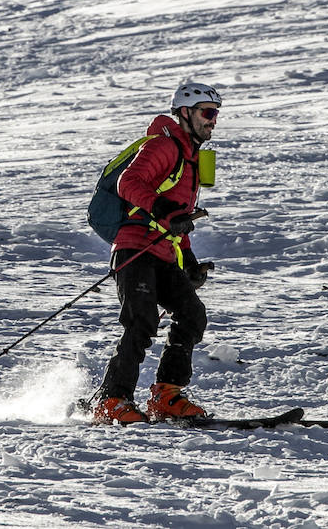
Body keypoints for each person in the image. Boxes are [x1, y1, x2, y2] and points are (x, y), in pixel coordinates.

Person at [92, 82, 222, 425]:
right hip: (135, 247)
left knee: (192, 314)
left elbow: (179, 222)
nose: (213, 120)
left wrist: (189, 261)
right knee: (141, 322)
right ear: (185, 113)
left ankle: (166, 395)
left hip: (164, 252)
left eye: (216, 114)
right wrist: (164, 209)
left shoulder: (196, 160)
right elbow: (129, 183)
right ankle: (111, 401)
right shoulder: (164, 145)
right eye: (207, 113)